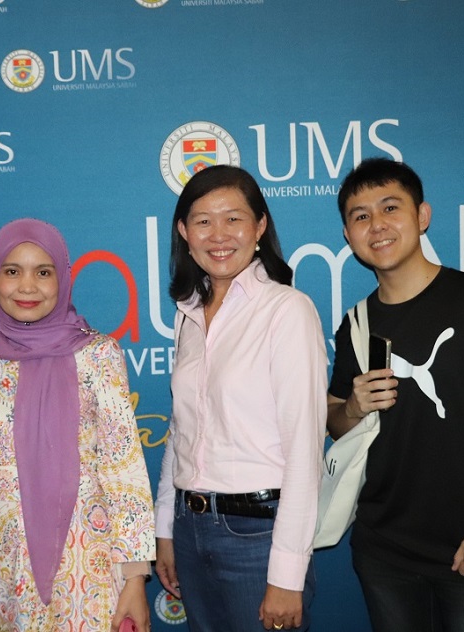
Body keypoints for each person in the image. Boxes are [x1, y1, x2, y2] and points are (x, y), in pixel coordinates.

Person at [326, 158, 464, 632]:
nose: (377, 224)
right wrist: (351, 407)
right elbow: (334, 421)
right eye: (361, 215)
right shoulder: (355, 325)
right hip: (383, 552)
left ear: (422, 216)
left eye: (390, 207)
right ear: (349, 235)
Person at [0, 218, 155, 631]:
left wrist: (135, 578)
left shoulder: (99, 354)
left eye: (43, 272)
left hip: (87, 557)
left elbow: (124, 468)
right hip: (0, 559)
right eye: (13, 271)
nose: (27, 286)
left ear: (62, 278)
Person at [154, 165, 328, 631]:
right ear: (183, 231)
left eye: (233, 218)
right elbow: (181, 431)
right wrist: (165, 528)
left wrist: (287, 574)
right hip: (190, 530)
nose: (218, 234)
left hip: (258, 535)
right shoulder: (188, 314)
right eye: (203, 220)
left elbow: (304, 451)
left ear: (260, 226)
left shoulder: (287, 310)